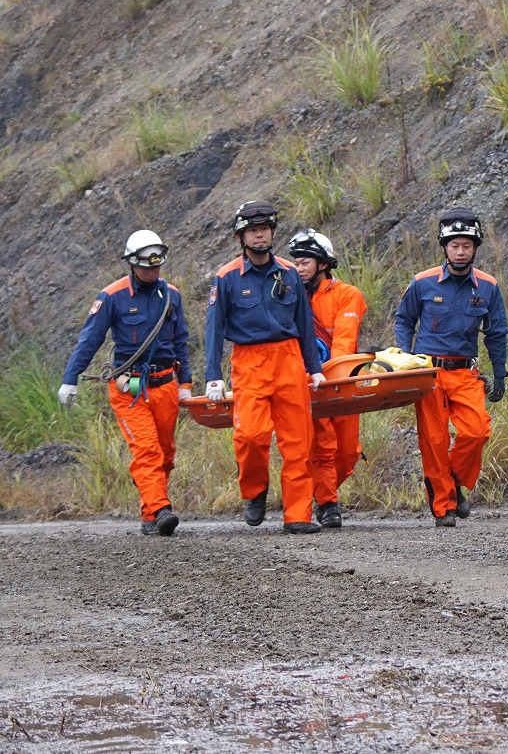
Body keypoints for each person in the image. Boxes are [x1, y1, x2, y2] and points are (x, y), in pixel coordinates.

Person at [59, 230, 191, 536]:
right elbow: (88, 341)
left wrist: (186, 383)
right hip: (130, 386)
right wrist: (70, 380)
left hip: (166, 383)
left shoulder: (172, 295)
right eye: (146, 266)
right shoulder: (111, 297)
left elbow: (181, 341)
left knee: (165, 453)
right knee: (147, 451)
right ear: (132, 264)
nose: (152, 272)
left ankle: (149, 514)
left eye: (156, 266)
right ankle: (161, 509)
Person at [206, 201, 325, 535]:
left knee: (298, 441)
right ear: (242, 236)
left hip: (289, 360)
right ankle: (254, 491)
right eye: (252, 231)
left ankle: (298, 514)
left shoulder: (288, 272)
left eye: (265, 230)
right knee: (250, 436)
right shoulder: (227, 277)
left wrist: (314, 367)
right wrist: (212, 375)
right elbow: (214, 329)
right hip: (249, 362)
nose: (260, 236)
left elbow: (304, 322)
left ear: (273, 232)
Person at [394, 208, 508, 528]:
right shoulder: (423, 282)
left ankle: (453, 480)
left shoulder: (487, 287)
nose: (461, 251)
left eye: (467, 245)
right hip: (427, 373)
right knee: (434, 440)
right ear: (444, 247)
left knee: (477, 431)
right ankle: (443, 505)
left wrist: (500, 374)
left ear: (475, 248)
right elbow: (404, 320)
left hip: (464, 372)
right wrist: (404, 360)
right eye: (455, 245)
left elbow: (497, 332)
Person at [289, 228, 367, 530]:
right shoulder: (289, 297)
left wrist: (333, 375)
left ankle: (315, 493)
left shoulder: (348, 295)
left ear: (323, 263)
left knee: (347, 452)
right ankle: (329, 503)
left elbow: (344, 342)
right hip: (306, 382)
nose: (299, 267)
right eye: (295, 262)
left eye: (305, 261)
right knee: (322, 446)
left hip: (341, 378)